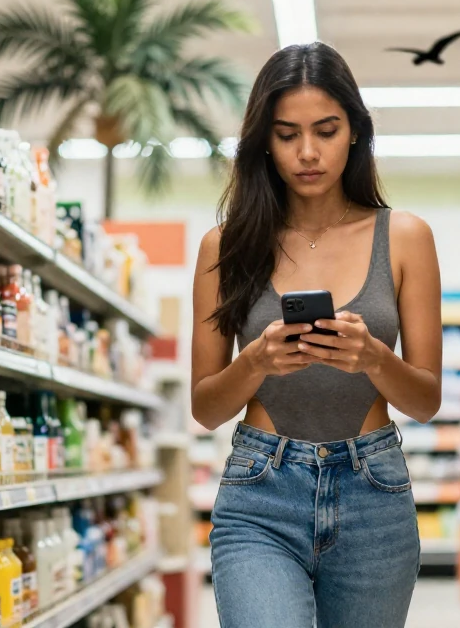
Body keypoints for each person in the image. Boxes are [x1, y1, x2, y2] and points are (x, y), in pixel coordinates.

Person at [190, 42, 443, 627]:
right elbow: (204, 407)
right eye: (286, 135)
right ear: (264, 142)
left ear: (355, 131)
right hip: (260, 492)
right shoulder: (223, 247)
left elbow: (425, 400)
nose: (307, 152)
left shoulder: (404, 237)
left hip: (373, 494)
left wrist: (374, 357)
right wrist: (254, 363)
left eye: (326, 130)